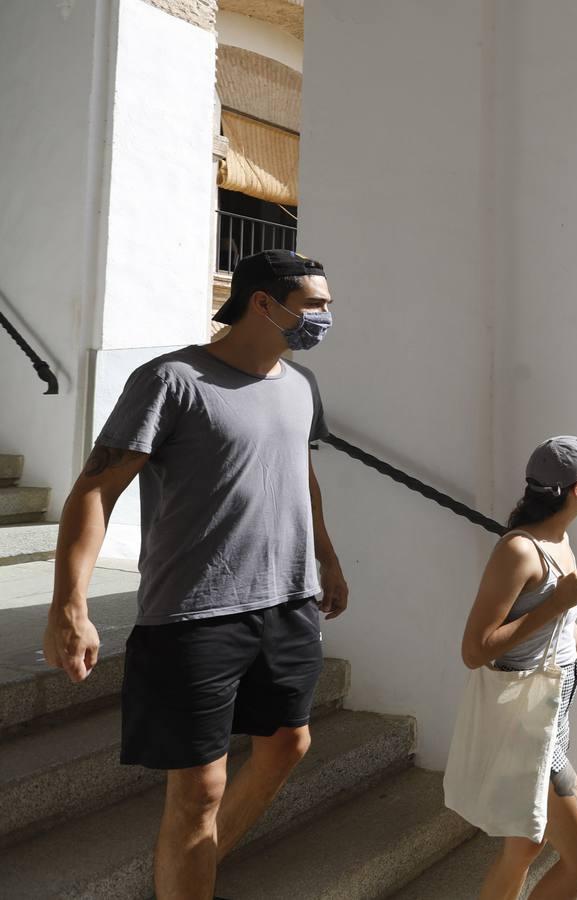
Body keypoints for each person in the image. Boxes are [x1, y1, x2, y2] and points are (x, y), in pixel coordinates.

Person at [40, 250, 348, 900]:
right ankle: (186, 874)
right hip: (194, 613)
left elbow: (300, 470)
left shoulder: (301, 386)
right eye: (315, 304)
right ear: (263, 303)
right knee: (197, 791)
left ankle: (188, 872)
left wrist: (324, 553)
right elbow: (95, 490)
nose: (325, 317)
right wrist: (70, 603)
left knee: (288, 744)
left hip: (288, 603)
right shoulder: (171, 379)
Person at [460, 436, 577, 900]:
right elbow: (476, 649)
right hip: (527, 724)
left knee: (525, 847)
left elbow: (562, 628)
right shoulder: (520, 551)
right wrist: (556, 602)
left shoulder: (559, 541)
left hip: (549, 719)